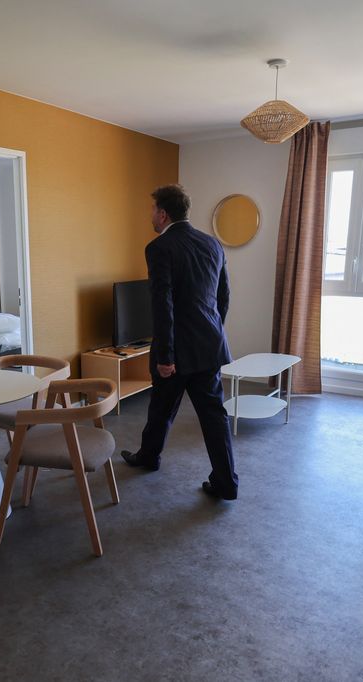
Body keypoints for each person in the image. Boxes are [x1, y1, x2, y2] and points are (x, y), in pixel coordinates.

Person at [121, 184, 239, 500]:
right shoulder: (212, 244)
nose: (151, 216)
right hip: (209, 347)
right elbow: (223, 297)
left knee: (161, 407)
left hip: (175, 352)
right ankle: (226, 482)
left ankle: (149, 457)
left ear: (163, 213)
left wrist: (165, 355)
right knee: (213, 416)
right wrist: (212, 331)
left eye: (152, 210)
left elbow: (164, 305)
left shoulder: (159, 248)